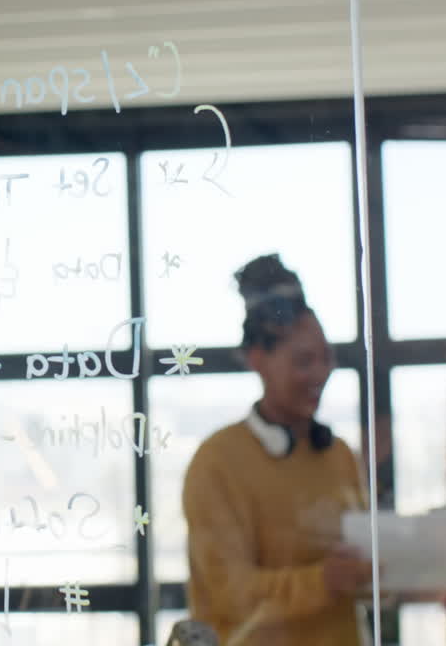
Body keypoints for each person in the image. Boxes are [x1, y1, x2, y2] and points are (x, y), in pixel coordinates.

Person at [182, 253, 372, 646]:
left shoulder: (338, 454)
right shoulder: (217, 461)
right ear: (257, 360)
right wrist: (322, 581)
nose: (320, 373)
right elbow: (229, 592)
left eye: (326, 358)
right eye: (304, 361)